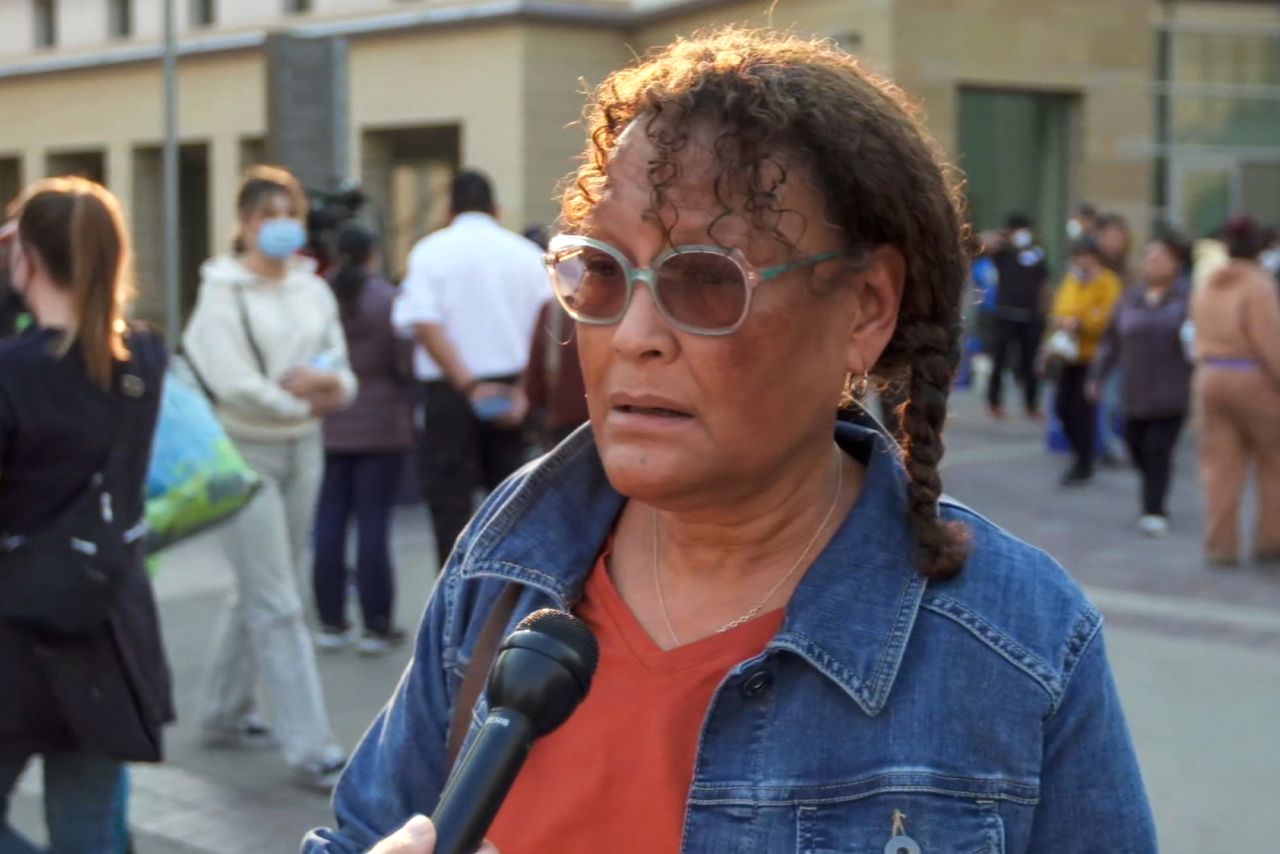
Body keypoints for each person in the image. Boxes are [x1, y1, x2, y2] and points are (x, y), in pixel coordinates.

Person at [306, 29, 1155, 854]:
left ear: (865, 308)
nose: (633, 334)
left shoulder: (1020, 640)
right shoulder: (510, 556)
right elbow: (356, 834)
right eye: (601, 269)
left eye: (706, 280)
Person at [0, 177, 173, 850]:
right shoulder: (144, 359)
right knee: (89, 831)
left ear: (28, 260)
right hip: (106, 627)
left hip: (14, 635)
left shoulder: (13, 374)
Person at [183, 165, 354, 790]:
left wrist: (331, 392)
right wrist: (298, 402)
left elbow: (339, 364)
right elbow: (229, 378)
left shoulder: (312, 288)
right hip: (241, 453)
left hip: (305, 446)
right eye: (268, 215)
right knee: (279, 600)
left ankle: (223, 711)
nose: (281, 226)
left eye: (291, 213)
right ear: (246, 224)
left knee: (266, 584)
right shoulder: (221, 291)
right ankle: (312, 747)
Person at [393, 170, 548, 568]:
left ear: (449, 210)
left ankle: (453, 605)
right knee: (514, 507)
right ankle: (509, 602)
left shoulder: (430, 251)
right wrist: (525, 391)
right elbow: (548, 327)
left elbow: (423, 322)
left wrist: (469, 384)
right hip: (514, 388)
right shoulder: (526, 255)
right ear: (497, 209)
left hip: (451, 392)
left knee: (450, 508)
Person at [312, 224, 415, 655]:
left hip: (328, 422)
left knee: (329, 523)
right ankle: (376, 623)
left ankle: (331, 621)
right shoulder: (385, 300)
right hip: (381, 427)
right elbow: (404, 365)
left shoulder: (319, 297)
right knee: (374, 524)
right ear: (373, 254)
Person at [1189, 215, 1280, 566]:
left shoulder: (1209, 282)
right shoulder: (1258, 285)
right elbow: (1268, 341)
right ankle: (1271, 540)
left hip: (1210, 376)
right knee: (1273, 463)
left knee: (1219, 467)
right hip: (1252, 378)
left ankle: (1220, 546)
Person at [1090, 232, 1193, 537]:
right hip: (1135, 392)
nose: (1152, 262)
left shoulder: (1187, 299)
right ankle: (1153, 491)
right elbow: (1111, 341)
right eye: (1148, 256)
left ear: (1176, 263)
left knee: (1159, 449)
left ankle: (1154, 509)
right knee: (1136, 448)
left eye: (1160, 257)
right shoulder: (1130, 297)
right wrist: (1098, 375)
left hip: (1172, 391)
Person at [1049, 237, 1123, 485]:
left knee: (1084, 411)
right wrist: (1062, 321)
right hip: (1068, 353)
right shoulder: (1072, 280)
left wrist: (1081, 323)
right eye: (1076, 256)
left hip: (1094, 356)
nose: (1080, 261)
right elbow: (1060, 307)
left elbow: (1107, 317)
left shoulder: (1108, 282)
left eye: (1084, 256)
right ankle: (1080, 454)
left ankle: (1084, 461)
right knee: (1062, 407)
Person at [987, 213, 1049, 418]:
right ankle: (994, 402)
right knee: (1000, 360)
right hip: (1005, 314)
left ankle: (1031, 403)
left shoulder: (1037, 254)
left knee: (1030, 363)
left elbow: (1044, 284)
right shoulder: (1002, 253)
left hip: (1030, 316)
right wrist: (1002, 237)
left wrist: (1044, 312)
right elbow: (983, 246)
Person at [1095, 212, 1132, 280]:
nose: (1114, 244)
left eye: (1118, 238)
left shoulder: (1130, 276)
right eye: (1111, 238)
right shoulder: (1087, 274)